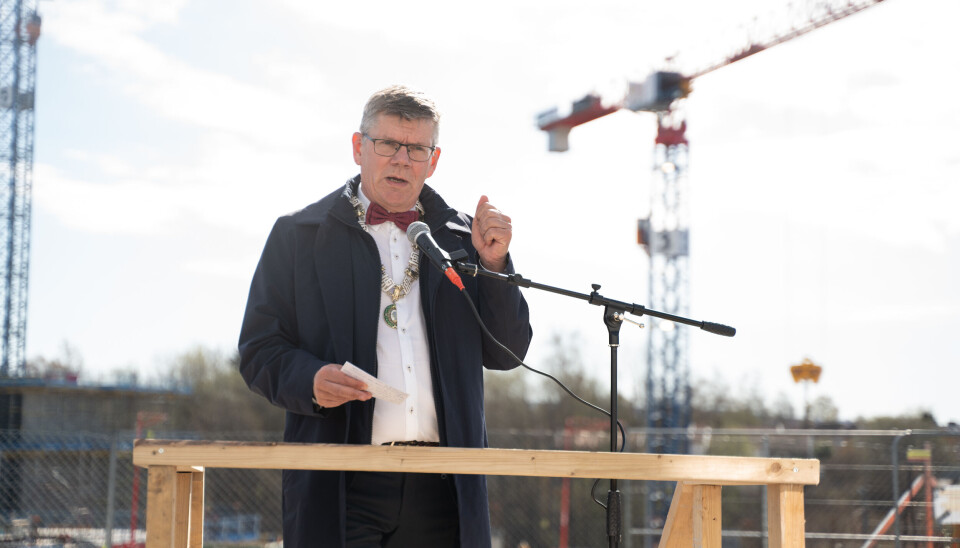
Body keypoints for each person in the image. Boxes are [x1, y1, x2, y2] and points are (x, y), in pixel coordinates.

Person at [238, 85, 532, 548]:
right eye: (388, 144)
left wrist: (495, 266)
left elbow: (507, 353)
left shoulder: (465, 241)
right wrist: (309, 379)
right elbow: (258, 350)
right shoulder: (298, 235)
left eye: (416, 148)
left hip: (447, 488)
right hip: (340, 485)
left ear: (433, 161)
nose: (401, 159)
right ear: (359, 148)